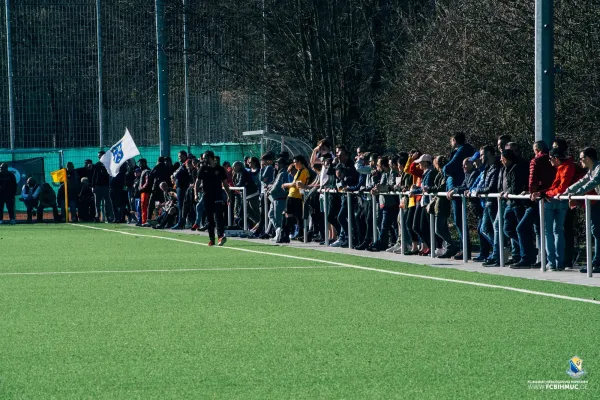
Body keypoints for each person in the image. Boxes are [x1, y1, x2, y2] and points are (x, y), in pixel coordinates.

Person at [528, 148, 574, 270]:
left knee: (550, 231)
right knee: (557, 231)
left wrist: (543, 194)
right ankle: (557, 262)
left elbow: (561, 188)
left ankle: (554, 262)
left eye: (551, 158)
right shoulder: (563, 167)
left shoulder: (566, 167)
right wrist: (543, 193)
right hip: (559, 200)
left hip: (557, 200)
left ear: (556, 158)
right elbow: (555, 186)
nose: (549, 161)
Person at [512, 141, 555, 268]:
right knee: (547, 230)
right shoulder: (554, 159)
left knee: (525, 228)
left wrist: (532, 193)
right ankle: (545, 258)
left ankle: (528, 257)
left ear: (536, 149)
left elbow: (532, 179)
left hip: (540, 198)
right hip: (552, 195)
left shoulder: (536, 161)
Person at [564, 147, 600, 274]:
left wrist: (576, 194)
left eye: (581, 159)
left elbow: (592, 183)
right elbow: (582, 181)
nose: (580, 162)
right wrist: (567, 191)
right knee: (596, 231)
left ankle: (597, 262)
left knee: (596, 230)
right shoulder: (591, 170)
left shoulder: (598, 169)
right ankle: (597, 262)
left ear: (588, 159)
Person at [442, 132, 474, 259]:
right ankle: (464, 248)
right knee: (459, 220)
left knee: (460, 220)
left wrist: (447, 172)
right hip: (456, 188)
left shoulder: (462, 151)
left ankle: (465, 249)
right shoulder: (464, 150)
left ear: (454, 140)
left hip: (458, 188)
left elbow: (448, 168)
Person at [196, 151, 231, 246]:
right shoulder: (203, 168)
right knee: (210, 218)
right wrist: (195, 194)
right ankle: (212, 238)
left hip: (218, 195)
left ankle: (220, 237)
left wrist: (228, 195)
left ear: (210, 157)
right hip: (207, 196)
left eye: (205, 158)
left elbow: (225, 183)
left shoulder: (219, 169)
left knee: (219, 216)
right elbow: (198, 182)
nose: (203, 160)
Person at [368, 157, 399, 251]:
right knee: (390, 225)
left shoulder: (392, 173)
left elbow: (391, 187)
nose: (377, 166)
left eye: (378, 164)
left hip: (391, 203)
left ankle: (382, 243)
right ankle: (389, 242)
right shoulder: (384, 174)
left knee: (387, 225)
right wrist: (376, 187)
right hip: (385, 203)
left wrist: (379, 189)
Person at [280, 155, 310, 244]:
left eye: (295, 162)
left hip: (294, 196)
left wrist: (285, 185)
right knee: (291, 215)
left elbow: (296, 184)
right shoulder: (300, 171)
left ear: (300, 162)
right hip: (293, 195)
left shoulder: (304, 171)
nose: (294, 164)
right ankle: (289, 234)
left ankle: (286, 235)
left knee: (288, 215)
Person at [171, 152, 192, 229]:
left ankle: (181, 223)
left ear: (184, 156)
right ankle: (181, 222)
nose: (179, 157)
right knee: (181, 206)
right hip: (180, 187)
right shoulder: (182, 165)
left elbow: (177, 174)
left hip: (183, 188)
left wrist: (174, 175)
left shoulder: (186, 164)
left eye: (180, 156)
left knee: (181, 206)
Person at [92, 151, 113, 222]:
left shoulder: (109, 164)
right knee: (97, 203)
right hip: (98, 186)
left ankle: (109, 217)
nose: (99, 157)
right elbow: (94, 176)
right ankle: (97, 217)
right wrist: (93, 186)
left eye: (100, 156)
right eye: (98, 156)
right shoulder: (97, 165)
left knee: (108, 203)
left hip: (106, 186)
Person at [138, 159, 152, 226]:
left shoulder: (147, 171)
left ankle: (145, 221)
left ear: (144, 163)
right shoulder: (144, 171)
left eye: (141, 163)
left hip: (145, 192)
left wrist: (142, 188)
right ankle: (143, 221)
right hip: (144, 192)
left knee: (144, 206)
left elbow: (147, 182)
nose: (139, 165)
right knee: (143, 206)